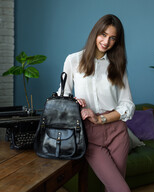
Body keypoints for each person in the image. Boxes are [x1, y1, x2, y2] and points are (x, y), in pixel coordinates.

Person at [58, 14, 135, 192]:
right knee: (121, 189)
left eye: (112, 38)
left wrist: (101, 120)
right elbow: (63, 96)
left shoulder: (118, 65)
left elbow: (127, 104)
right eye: (103, 34)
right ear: (95, 33)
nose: (106, 41)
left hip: (117, 132)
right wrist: (75, 103)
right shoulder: (73, 60)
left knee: (113, 188)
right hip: (90, 135)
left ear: (117, 41)